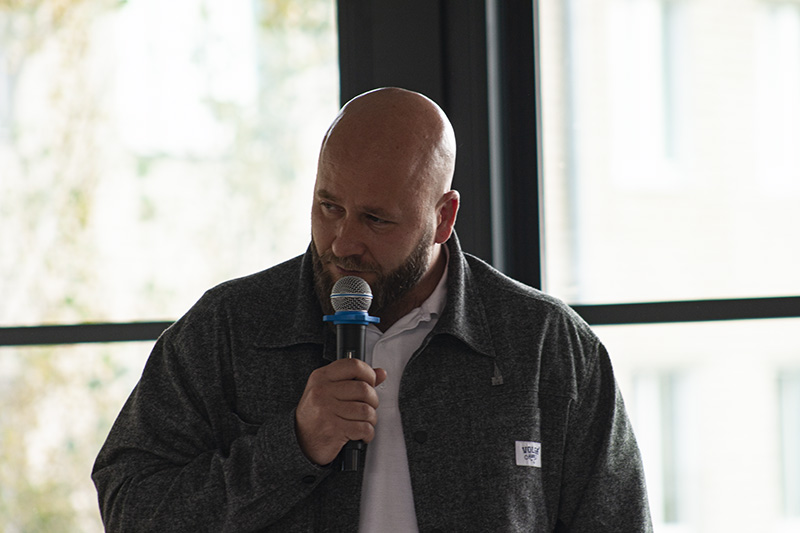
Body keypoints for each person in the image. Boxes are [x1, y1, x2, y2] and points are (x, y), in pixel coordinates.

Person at [92, 87, 652, 532]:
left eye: (376, 219)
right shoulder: (228, 329)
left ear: (443, 217)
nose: (342, 243)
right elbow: (131, 508)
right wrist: (292, 446)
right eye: (328, 206)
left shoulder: (548, 347)